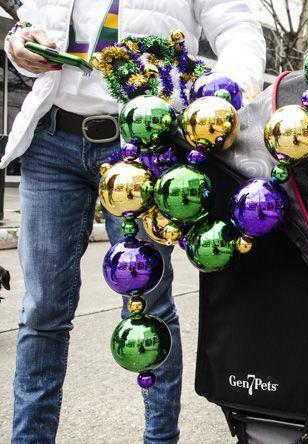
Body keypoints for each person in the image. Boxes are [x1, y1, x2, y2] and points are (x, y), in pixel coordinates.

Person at [3, 1, 266, 443]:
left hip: (141, 144)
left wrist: (225, 89)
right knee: (42, 309)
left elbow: (238, 25)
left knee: (148, 303)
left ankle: (160, 439)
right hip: (50, 140)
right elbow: (31, 19)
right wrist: (20, 45)